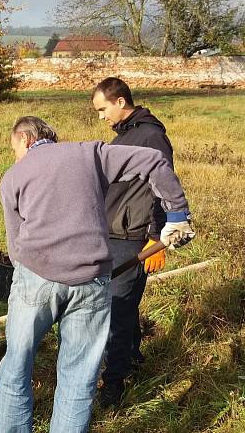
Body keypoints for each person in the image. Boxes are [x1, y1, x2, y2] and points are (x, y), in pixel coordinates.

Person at [0, 116, 195, 433]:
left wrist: (34, 273)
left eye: (14, 148)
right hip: (92, 281)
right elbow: (154, 160)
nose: (15, 156)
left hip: (36, 279)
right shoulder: (89, 154)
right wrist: (177, 214)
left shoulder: (12, 177)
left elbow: (14, 246)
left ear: (25, 139)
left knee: (16, 368)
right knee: (77, 379)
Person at [91, 77, 174, 406]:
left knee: (117, 309)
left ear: (120, 102)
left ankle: (114, 383)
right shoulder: (127, 135)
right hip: (113, 231)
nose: (101, 117)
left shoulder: (151, 137)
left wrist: (156, 239)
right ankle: (133, 358)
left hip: (133, 235)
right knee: (122, 304)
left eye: (102, 109)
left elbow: (163, 188)